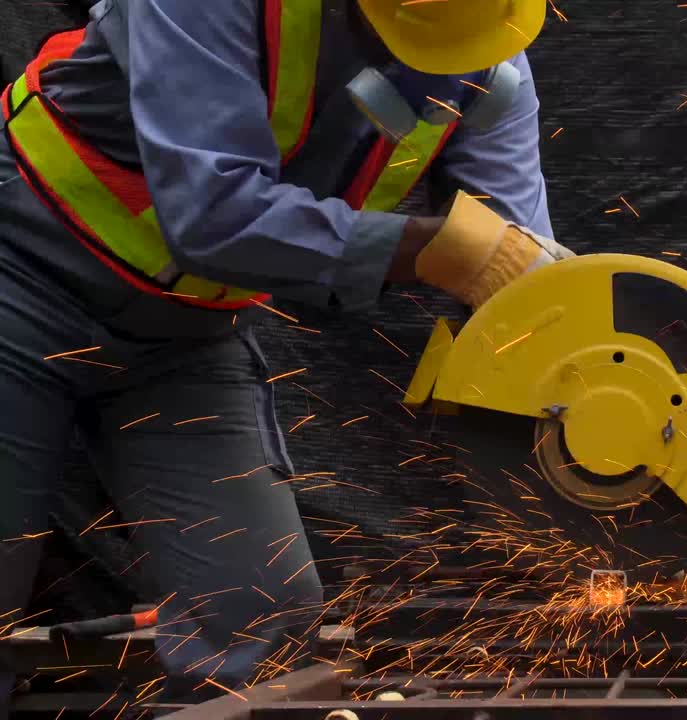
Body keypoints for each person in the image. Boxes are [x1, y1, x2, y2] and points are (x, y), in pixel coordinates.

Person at [0, 0, 569, 710]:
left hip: (183, 340)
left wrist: (574, 369)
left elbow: (521, 278)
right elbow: (211, 219)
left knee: (255, 614)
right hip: (24, 275)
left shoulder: (486, 43)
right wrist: (436, 248)